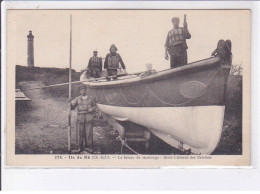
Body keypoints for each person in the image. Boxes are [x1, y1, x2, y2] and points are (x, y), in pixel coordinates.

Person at [71, 85, 96, 153]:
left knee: (89, 133)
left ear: (86, 90)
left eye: (84, 90)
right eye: (81, 90)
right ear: (80, 91)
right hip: (80, 117)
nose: (83, 91)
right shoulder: (77, 99)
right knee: (80, 133)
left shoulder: (91, 98)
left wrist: (92, 109)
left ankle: (89, 147)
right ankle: (80, 147)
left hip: (89, 117)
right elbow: (72, 107)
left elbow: (95, 107)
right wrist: (70, 103)